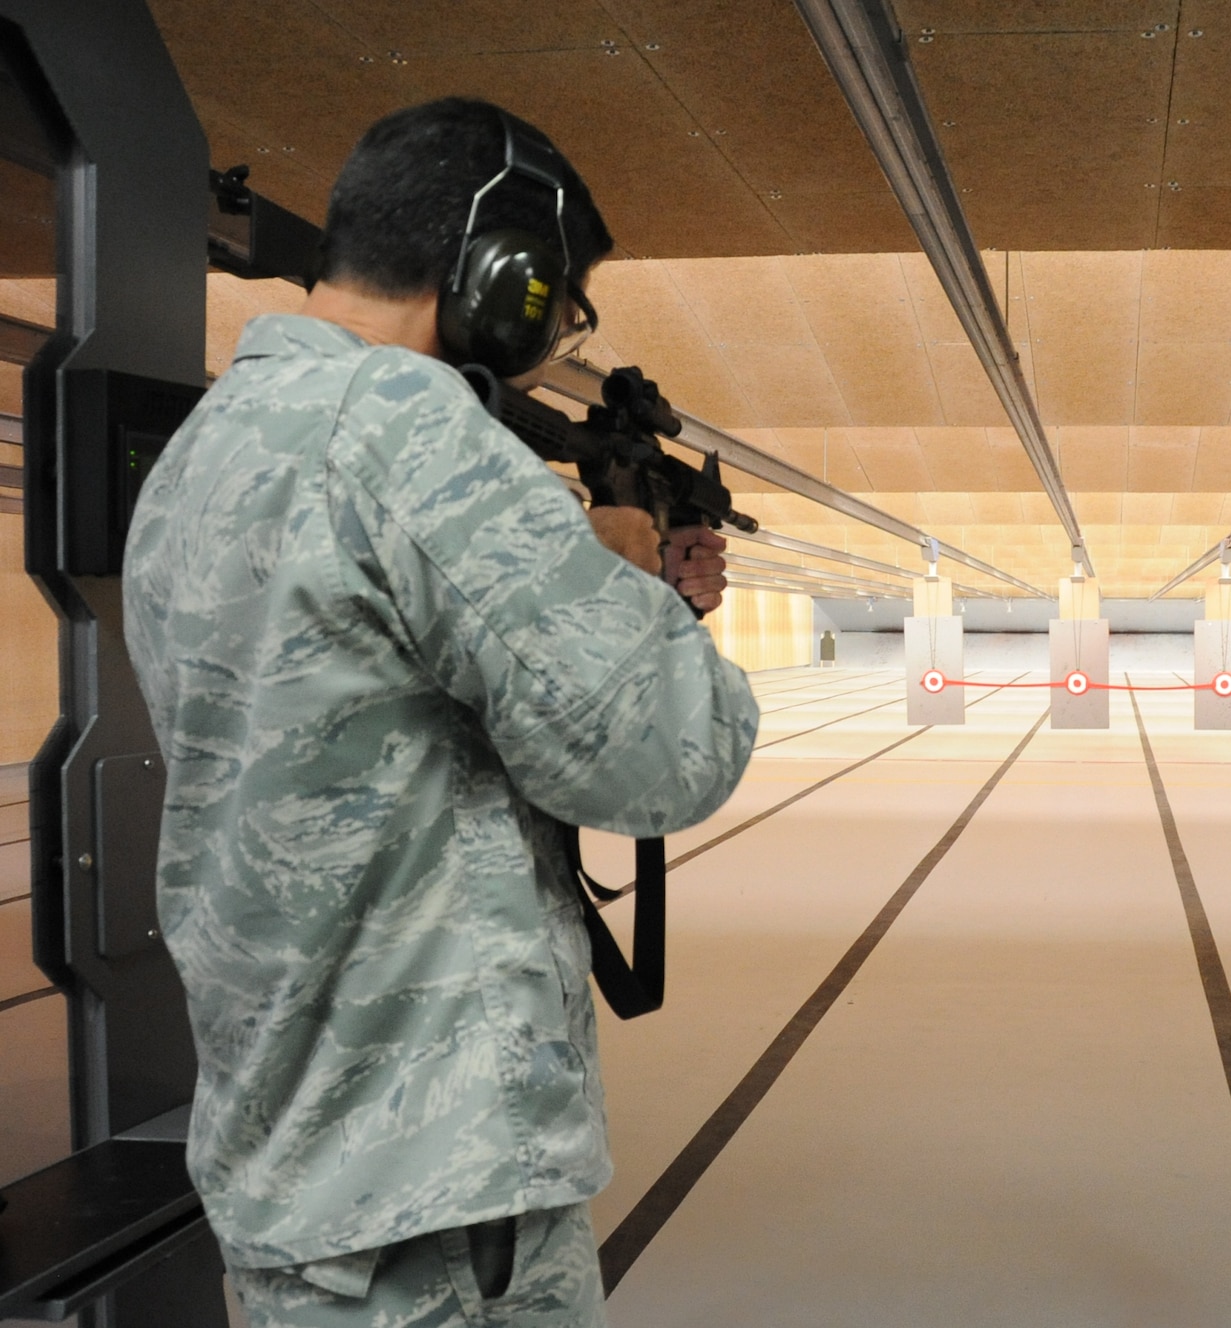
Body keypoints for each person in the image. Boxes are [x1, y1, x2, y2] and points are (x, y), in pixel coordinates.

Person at [122, 97, 759, 1327]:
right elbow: (670, 754)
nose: (548, 330)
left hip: (295, 1170)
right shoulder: (408, 427)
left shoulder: (216, 440)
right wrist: (637, 593)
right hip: (433, 1206)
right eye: (558, 300)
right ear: (500, 268)